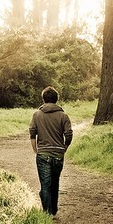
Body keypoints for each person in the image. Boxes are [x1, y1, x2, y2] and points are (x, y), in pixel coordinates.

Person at [29, 86, 73, 216]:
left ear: (43, 99)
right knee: (55, 183)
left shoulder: (37, 115)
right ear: (56, 99)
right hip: (58, 155)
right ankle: (53, 210)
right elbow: (69, 134)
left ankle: (47, 213)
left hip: (43, 154)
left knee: (45, 185)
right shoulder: (63, 116)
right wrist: (64, 148)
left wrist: (36, 150)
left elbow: (32, 133)